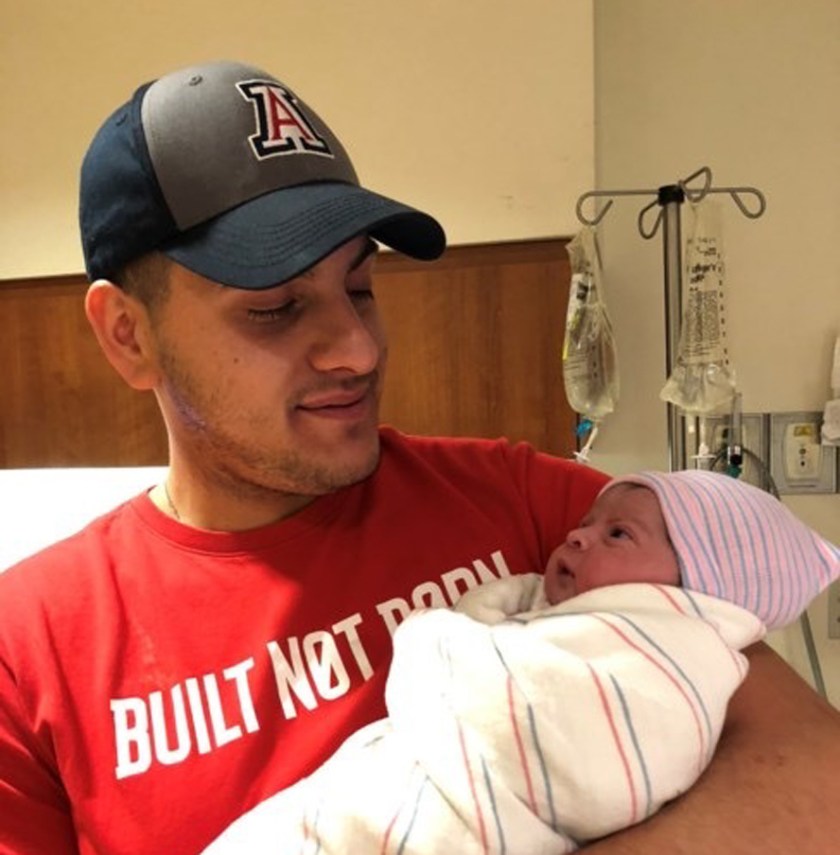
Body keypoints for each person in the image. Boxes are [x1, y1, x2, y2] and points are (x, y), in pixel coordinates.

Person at [0, 58, 837, 855]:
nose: (358, 349)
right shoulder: (30, 649)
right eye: (276, 307)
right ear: (128, 335)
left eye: (361, 287)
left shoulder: (534, 507)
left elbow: (816, 778)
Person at [200, 470, 839, 854]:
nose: (577, 534)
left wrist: (436, 637)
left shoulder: (670, 658)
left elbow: (574, 755)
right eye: (272, 309)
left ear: (697, 590)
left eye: (617, 534)